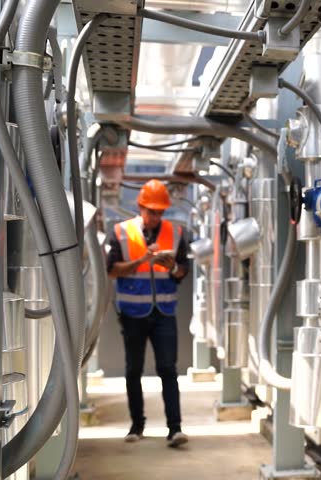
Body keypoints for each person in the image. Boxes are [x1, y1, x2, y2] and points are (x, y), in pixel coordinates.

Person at [106, 179, 190, 447]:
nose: (156, 216)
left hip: (164, 311)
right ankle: (137, 425)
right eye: (152, 211)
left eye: (160, 211)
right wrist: (142, 261)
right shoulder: (120, 232)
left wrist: (173, 267)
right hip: (133, 312)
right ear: (140, 206)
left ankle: (175, 429)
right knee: (134, 370)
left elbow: (182, 273)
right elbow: (111, 270)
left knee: (168, 369)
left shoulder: (176, 233)